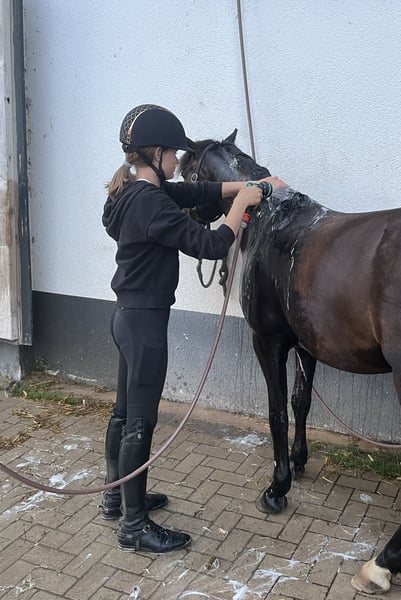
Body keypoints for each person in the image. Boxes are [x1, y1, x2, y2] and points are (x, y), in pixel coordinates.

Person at [100, 104, 285, 554]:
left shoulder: (132, 192)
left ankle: (117, 497)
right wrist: (240, 207)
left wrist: (249, 185)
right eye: (173, 154)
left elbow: (195, 191)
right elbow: (212, 244)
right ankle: (134, 527)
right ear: (157, 154)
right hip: (145, 328)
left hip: (126, 318)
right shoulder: (152, 203)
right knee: (139, 423)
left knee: (123, 414)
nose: (177, 161)